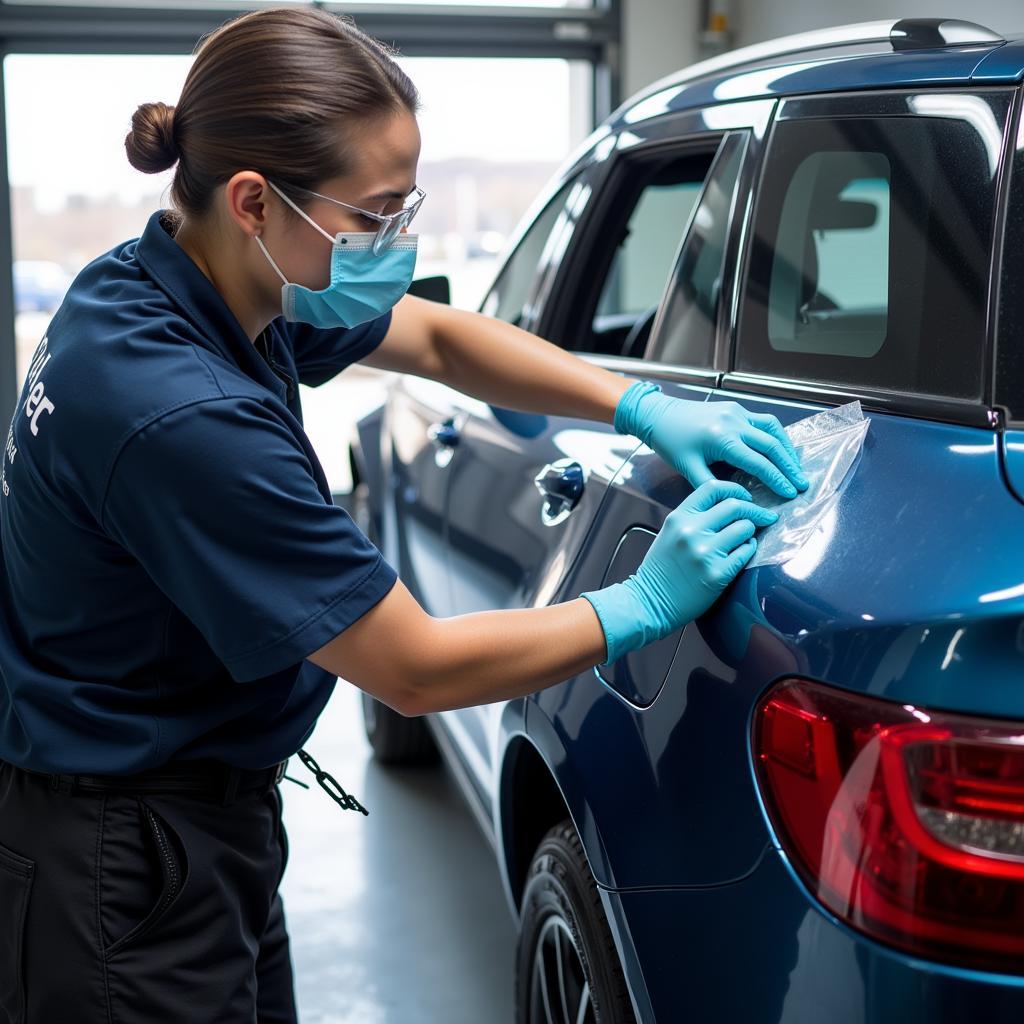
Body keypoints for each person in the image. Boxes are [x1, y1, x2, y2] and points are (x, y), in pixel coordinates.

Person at [0, 6, 808, 1023]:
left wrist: (640, 402)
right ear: (254, 200)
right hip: (122, 859)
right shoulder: (180, 412)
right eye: (375, 216)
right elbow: (411, 665)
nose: (397, 242)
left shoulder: (178, 284)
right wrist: (638, 603)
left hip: (181, 810)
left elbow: (429, 337)